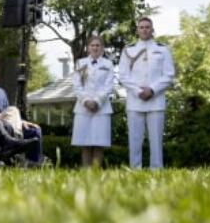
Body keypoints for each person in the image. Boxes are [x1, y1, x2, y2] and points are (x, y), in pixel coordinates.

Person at [117, 16, 175, 169]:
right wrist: (137, 91)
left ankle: (157, 170)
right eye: (141, 27)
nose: (144, 29)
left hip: (155, 101)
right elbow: (123, 75)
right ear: (137, 30)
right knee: (135, 140)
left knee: (156, 140)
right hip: (135, 102)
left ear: (152, 30)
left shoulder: (162, 49)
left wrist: (152, 89)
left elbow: (169, 75)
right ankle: (134, 170)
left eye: (147, 27)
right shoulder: (128, 50)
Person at [71, 35, 114, 168]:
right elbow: (76, 85)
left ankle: (96, 174)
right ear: (88, 47)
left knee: (98, 143)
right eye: (92, 45)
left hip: (102, 108)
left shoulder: (108, 64)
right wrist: (86, 101)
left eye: (98, 45)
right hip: (83, 108)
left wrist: (97, 101)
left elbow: (108, 86)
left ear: (102, 48)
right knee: (85, 143)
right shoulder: (80, 63)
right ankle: (85, 174)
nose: (95, 48)